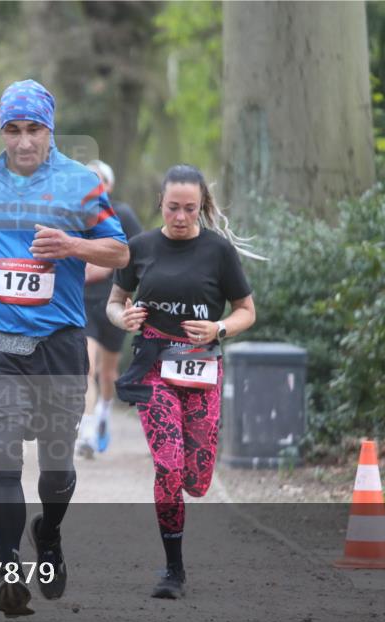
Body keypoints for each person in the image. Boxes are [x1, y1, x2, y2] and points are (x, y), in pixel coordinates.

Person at [0, 80, 129, 617]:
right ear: (1, 130)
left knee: (55, 469)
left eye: (34, 129)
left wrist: (72, 245)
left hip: (60, 343)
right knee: (3, 456)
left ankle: (47, 534)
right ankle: (9, 571)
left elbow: (117, 251)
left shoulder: (80, 183)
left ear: (51, 129)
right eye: (12, 129)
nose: (23, 141)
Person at [107, 164, 260, 599]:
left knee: (196, 479)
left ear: (201, 207)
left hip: (202, 368)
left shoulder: (218, 251)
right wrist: (125, 316)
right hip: (154, 366)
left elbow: (246, 310)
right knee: (168, 466)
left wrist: (220, 329)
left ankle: (180, 535)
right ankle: (173, 571)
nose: (180, 216)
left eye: (190, 209)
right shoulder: (138, 247)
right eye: (173, 207)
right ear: (160, 203)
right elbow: (115, 305)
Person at [76, 159, 144, 459]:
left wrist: (107, 266)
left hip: (116, 302)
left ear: (109, 186)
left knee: (108, 373)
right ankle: (87, 434)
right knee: (86, 368)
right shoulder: (72, 217)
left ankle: (103, 413)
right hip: (81, 304)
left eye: (97, 180)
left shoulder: (123, 214)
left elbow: (140, 253)